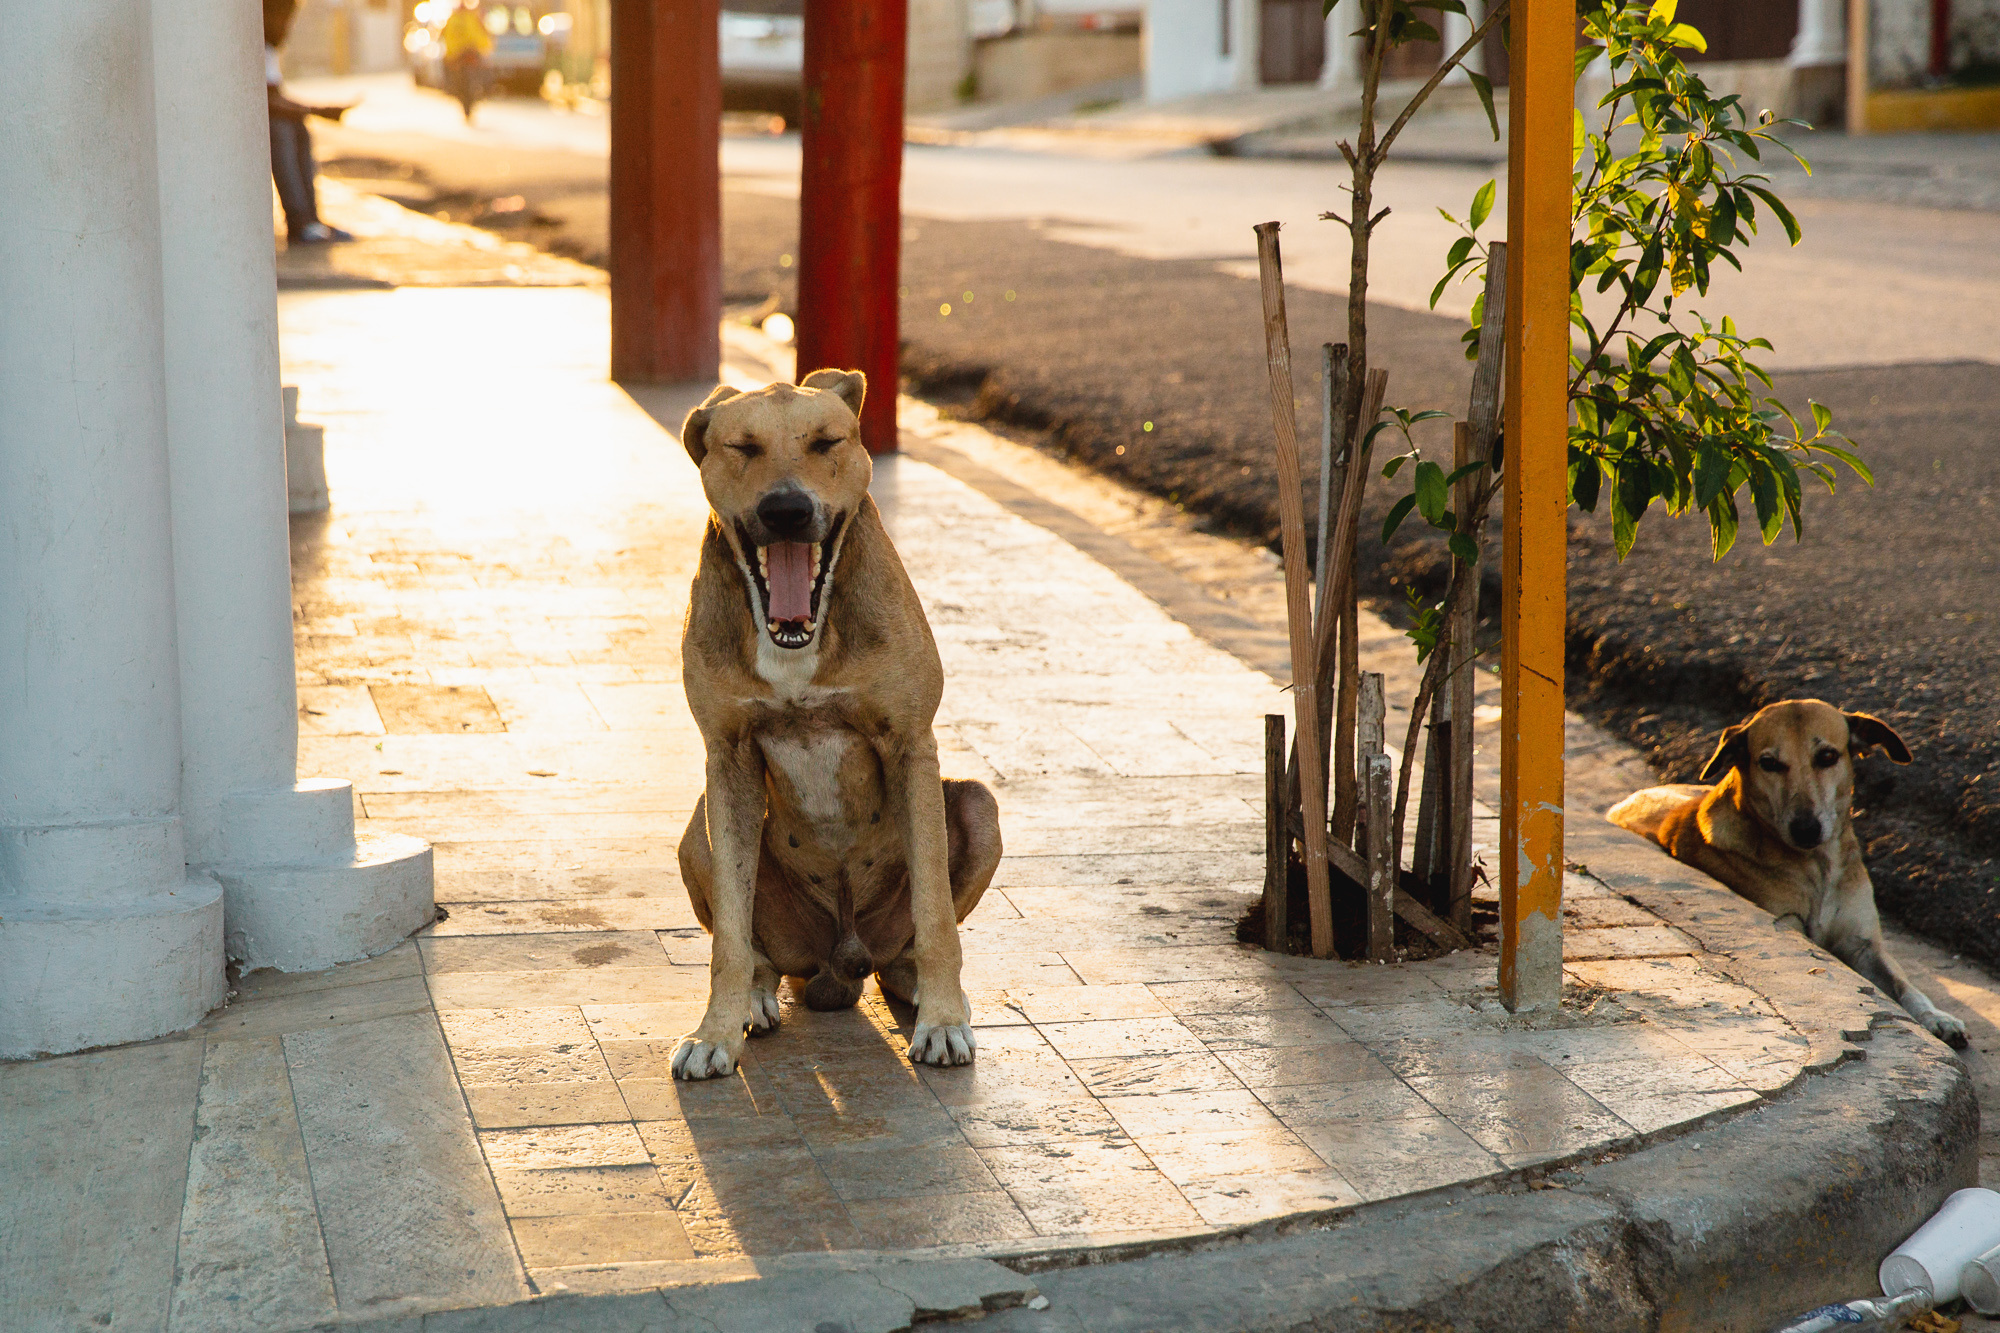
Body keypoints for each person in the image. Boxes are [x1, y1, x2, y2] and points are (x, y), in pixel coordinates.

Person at [264, 0, 354, 245]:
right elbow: (263, 100)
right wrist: (318, 110)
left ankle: (312, 220)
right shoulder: (252, 46)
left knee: (299, 130)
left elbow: (275, 95)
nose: (285, 28)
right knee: (281, 130)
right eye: (281, 19)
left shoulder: (268, 50)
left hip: (271, 114)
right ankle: (298, 221)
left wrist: (311, 110)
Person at [440, 0, 494, 123]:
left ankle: (485, 88)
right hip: (464, 53)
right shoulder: (470, 17)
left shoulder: (455, 18)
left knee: (481, 70)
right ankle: (486, 89)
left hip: (463, 53)